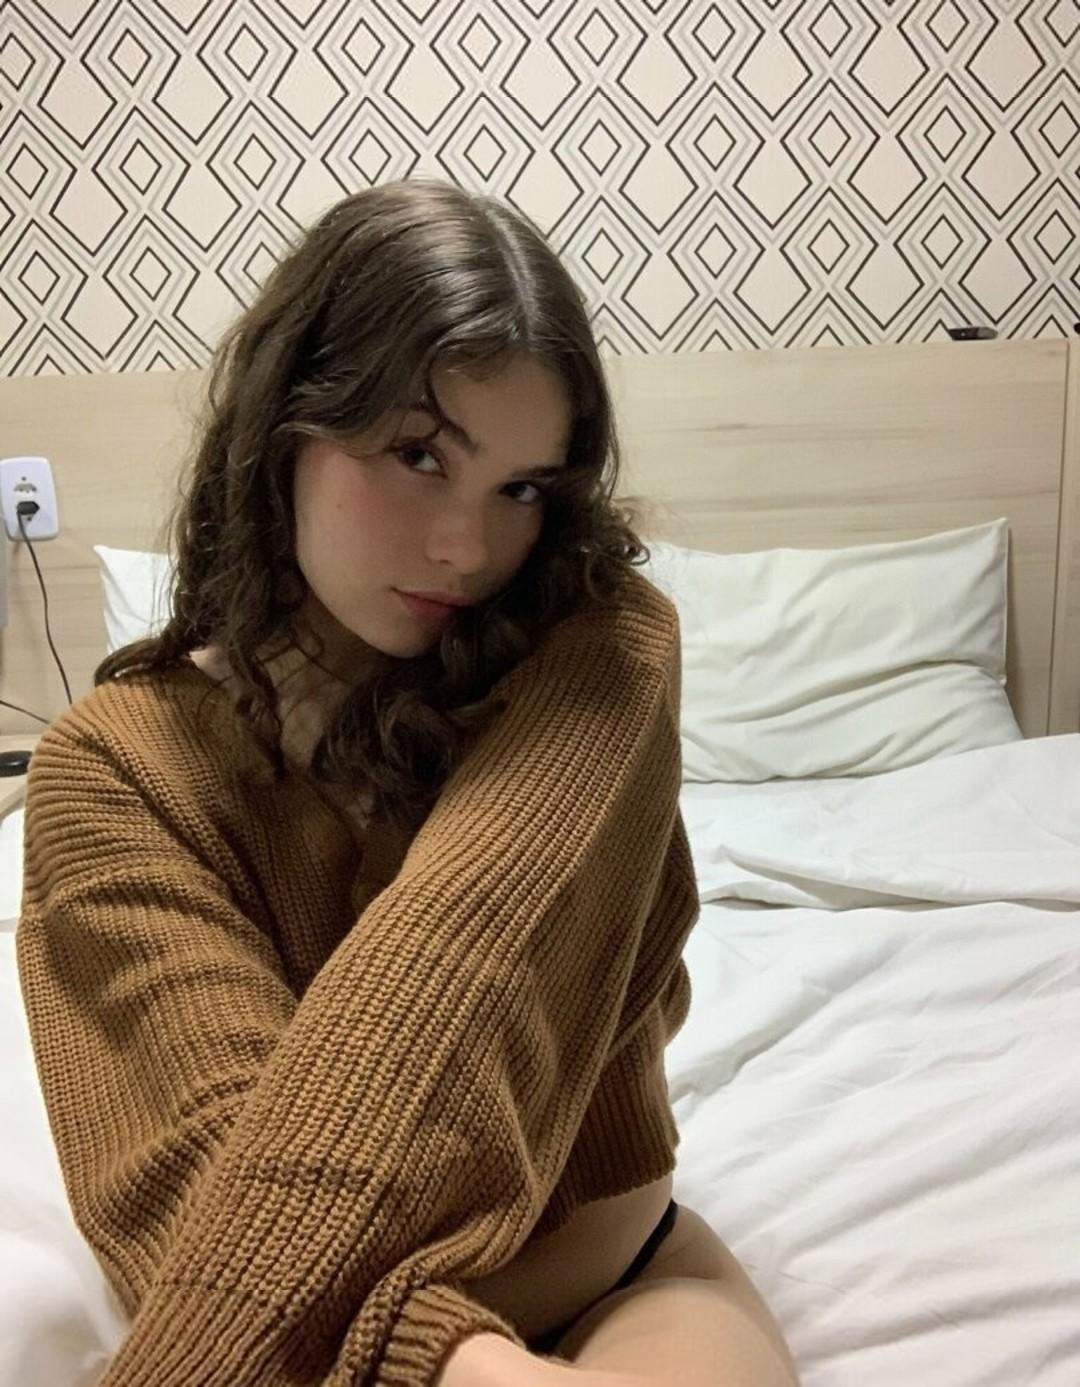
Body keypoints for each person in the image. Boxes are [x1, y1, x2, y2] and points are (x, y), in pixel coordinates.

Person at [16, 178, 798, 1386]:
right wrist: (468, 1367)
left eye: (522, 488)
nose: (467, 548)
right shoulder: (116, 767)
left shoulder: (600, 645)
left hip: (622, 1279)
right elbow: (201, 1173)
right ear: (284, 427)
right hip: (317, 1345)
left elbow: (461, 964)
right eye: (418, 454)